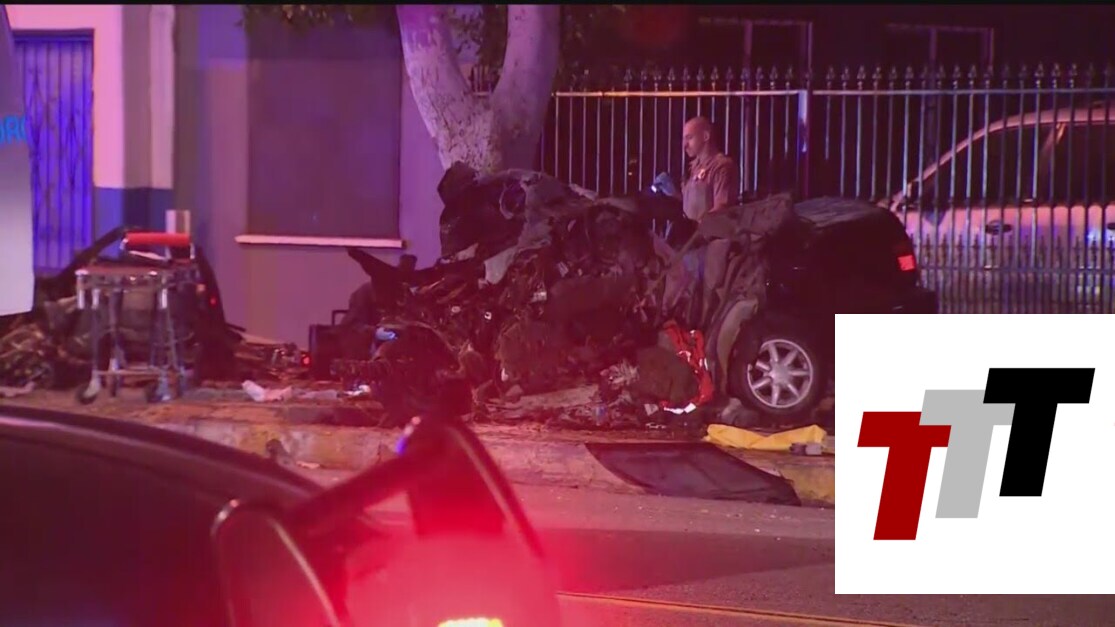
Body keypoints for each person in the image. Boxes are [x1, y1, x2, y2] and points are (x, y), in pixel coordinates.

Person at [680, 116, 739, 222]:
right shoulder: (692, 168)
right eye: (684, 139)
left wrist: (697, 226)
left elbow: (721, 209)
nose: (685, 145)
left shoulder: (721, 166)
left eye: (689, 138)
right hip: (690, 231)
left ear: (705, 136)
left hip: (710, 232)